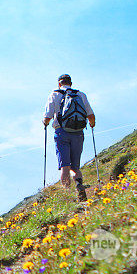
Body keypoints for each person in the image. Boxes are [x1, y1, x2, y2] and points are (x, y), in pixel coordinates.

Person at [42, 74, 95, 202]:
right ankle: (79, 185)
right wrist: (92, 125)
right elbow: (91, 115)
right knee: (75, 167)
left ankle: (68, 196)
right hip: (78, 133)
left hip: (62, 133)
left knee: (65, 166)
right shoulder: (80, 95)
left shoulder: (54, 95)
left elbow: (47, 117)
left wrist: (45, 123)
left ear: (59, 84)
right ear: (71, 83)